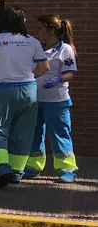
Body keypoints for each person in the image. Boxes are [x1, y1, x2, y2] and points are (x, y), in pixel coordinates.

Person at [0, 6, 51, 187]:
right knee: (23, 132)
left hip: (3, 89)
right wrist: (28, 76)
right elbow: (45, 67)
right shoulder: (32, 41)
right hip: (29, 90)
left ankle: (2, 169)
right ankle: (17, 173)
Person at [25, 14, 80, 182]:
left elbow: (70, 72)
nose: (37, 32)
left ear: (50, 31)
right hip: (35, 99)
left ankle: (67, 170)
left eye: (40, 29)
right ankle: (34, 166)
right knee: (35, 134)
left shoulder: (65, 49)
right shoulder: (38, 47)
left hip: (57, 101)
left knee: (59, 134)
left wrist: (58, 79)